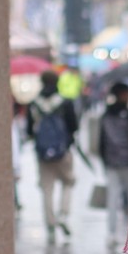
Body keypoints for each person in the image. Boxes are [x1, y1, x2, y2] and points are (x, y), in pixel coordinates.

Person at [27, 70, 80, 244]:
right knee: (68, 182)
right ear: (57, 82)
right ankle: (63, 214)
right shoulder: (65, 102)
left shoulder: (34, 103)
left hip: (42, 153)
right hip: (63, 151)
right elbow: (74, 126)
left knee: (46, 189)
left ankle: (50, 224)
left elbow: (29, 130)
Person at [91, 80, 128, 248]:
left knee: (113, 199)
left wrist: (103, 160)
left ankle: (111, 233)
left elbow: (100, 141)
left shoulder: (105, 115)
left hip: (112, 162)